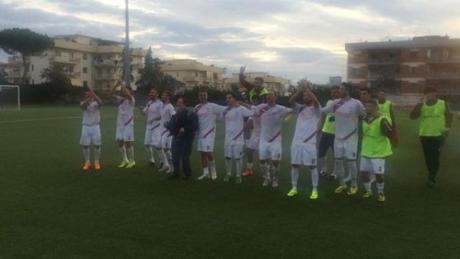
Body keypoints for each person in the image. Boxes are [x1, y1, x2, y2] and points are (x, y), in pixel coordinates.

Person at [322, 83, 366, 195]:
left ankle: (354, 185)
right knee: (338, 162)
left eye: (341, 89)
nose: (339, 91)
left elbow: (364, 114)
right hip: (338, 138)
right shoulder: (335, 103)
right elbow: (323, 111)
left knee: (351, 162)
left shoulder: (356, 103)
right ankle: (342, 185)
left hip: (351, 137)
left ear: (347, 90)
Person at [410, 87, 453, 187]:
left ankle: (432, 177)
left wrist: (448, 128)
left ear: (435, 94)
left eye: (432, 94)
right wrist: (419, 104)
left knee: (435, 156)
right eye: (427, 94)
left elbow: (449, 115)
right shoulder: (422, 104)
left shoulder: (442, 103)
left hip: (438, 135)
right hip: (424, 134)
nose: (430, 96)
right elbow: (412, 116)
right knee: (428, 157)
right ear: (425, 95)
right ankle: (431, 173)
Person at [287, 87, 321, 199]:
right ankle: (294, 188)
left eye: (307, 95)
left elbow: (316, 101)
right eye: (304, 96)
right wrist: (301, 90)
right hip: (296, 142)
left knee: (312, 166)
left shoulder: (317, 109)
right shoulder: (300, 108)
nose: (305, 97)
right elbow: (291, 101)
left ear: (311, 96)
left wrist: (308, 89)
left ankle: (315, 190)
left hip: (309, 143)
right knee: (294, 165)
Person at [253, 92, 293, 187]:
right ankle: (266, 178)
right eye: (268, 98)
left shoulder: (280, 108)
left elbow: (292, 111)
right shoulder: (261, 107)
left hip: (276, 139)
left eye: (271, 98)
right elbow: (254, 113)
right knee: (262, 161)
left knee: (275, 161)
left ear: (275, 98)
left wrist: (286, 118)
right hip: (263, 139)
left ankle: (275, 179)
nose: (269, 99)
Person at [360, 99, 394, 202]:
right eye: (366, 106)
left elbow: (389, 132)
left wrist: (387, 130)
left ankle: (380, 192)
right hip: (366, 149)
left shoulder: (382, 119)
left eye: (370, 106)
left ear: (376, 108)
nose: (367, 108)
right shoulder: (364, 118)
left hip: (378, 151)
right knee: (363, 173)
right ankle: (368, 191)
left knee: (378, 175)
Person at [195, 88, 226, 180]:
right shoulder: (196, 107)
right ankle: (205, 173)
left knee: (209, 153)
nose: (203, 97)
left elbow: (224, 109)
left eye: (204, 95)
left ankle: (213, 172)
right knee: (202, 153)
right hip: (200, 133)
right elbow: (194, 120)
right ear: (198, 97)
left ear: (207, 96)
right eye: (201, 95)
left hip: (209, 133)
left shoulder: (212, 106)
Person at [222, 93, 254, 183]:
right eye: (226, 98)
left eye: (230, 98)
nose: (227, 99)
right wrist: (224, 112)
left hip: (238, 139)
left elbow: (253, 112)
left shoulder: (241, 109)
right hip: (227, 138)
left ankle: (238, 175)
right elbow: (220, 118)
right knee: (227, 157)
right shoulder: (225, 110)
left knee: (238, 158)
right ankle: (228, 174)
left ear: (234, 99)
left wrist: (242, 104)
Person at [166, 97, 198, 179]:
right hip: (176, 137)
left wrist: (185, 129)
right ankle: (176, 172)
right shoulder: (176, 114)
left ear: (185, 103)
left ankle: (187, 173)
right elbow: (172, 125)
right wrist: (168, 126)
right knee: (174, 155)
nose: (178, 104)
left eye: (180, 102)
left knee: (185, 156)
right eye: (177, 102)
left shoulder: (191, 114)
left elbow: (194, 126)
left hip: (187, 138)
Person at [112, 81, 136, 168]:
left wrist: (123, 85)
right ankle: (125, 160)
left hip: (128, 124)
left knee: (127, 142)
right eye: (122, 90)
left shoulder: (132, 99)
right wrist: (116, 85)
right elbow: (111, 94)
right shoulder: (120, 99)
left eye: (125, 90)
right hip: (120, 124)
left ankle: (132, 161)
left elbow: (128, 95)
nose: (123, 91)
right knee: (119, 142)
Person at [318, 86, 339, 177]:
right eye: (332, 92)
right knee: (321, 152)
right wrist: (321, 127)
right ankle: (323, 169)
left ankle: (335, 172)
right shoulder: (329, 102)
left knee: (337, 155)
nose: (334, 94)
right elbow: (324, 114)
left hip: (336, 133)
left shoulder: (343, 103)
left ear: (339, 93)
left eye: (335, 92)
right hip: (326, 131)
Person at [79, 88, 103, 171]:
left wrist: (94, 95)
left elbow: (101, 103)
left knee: (97, 145)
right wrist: (89, 98)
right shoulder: (83, 102)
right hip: (86, 126)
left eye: (89, 94)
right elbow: (82, 106)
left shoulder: (96, 103)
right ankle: (87, 162)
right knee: (85, 145)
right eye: (87, 95)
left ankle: (96, 162)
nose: (88, 95)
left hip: (95, 126)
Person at [243, 94, 265, 177]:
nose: (254, 102)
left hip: (264, 135)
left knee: (263, 154)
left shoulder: (263, 109)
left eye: (256, 101)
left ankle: (265, 172)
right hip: (255, 134)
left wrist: (240, 102)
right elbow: (250, 123)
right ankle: (249, 169)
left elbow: (249, 124)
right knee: (249, 151)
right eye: (253, 101)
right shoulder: (253, 111)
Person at [141, 88, 163, 166]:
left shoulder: (160, 103)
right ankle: (152, 159)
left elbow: (161, 116)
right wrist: (142, 110)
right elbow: (144, 112)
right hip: (149, 126)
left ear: (157, 94)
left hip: (157, 127)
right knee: (147, 144)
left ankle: (162, 161)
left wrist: (153, 119)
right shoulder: (149, 103)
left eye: (153, 93)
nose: (151, 94)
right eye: (150, 93)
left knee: (157, 145)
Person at [159, 91, 176, 174]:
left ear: (168, 97)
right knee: (162, 148)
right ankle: (167, 165)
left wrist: (170, 128)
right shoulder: (163, 106)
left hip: (167, 132)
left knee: (167, 150)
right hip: (161, 131)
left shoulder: (170, 107)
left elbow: (174, 117)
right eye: (162, 95)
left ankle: (172, 167)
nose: (162, 96)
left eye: (163, 95)